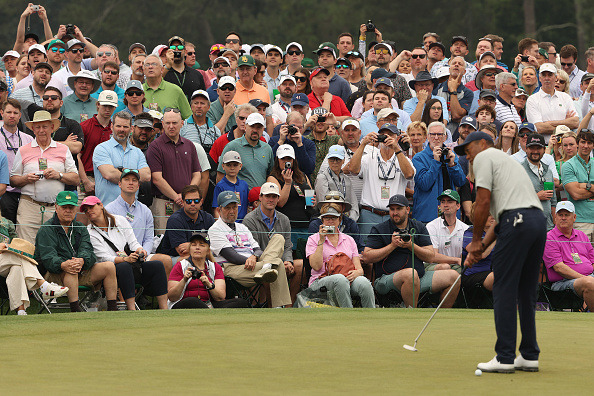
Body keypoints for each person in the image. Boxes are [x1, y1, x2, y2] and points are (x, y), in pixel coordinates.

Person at [456, 132, 546, 374]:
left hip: (517, 221)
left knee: (503, 286)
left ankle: (505, 356)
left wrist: (474, 241)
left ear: (483, 144)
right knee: (526, 290)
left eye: (469, 149)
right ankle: (529, 355)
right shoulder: (507, 164)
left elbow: (482, 203)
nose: (468, 156)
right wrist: (481, 247)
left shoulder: (485, 157)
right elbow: (500, 220)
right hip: (537, 222)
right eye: (464, 153)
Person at [363, 194, 460, 308]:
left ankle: (440, 316)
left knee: (454, 276)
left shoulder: (418, 227)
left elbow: (430, 256)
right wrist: (392, 246)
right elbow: (367, 256)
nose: (395, 213)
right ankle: (412, 314)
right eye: (392, 209)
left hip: (419, 277)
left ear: (407, 210)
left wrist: (411, 245)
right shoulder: (379, 229)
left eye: (399, 209)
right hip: (385, 279)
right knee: (410, 274)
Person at [35, 191, 119, 312]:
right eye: (64, 207)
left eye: (71, 207)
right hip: (53, 274)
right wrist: (63, 264)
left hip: (80, 271)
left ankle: (113, 308)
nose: (68, 210)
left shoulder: (80, 227)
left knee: (109, 266)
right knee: (71, 269)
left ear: (75, 209)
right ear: (56, 207)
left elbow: (88, 250)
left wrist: (82, 260)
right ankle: (75, 310)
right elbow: (48, 258)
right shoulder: (46, 229)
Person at [83, 196, 169, 310]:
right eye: (85, 210)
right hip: (110, 271)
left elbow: (133, 242)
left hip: (129, 264)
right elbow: (103, 257)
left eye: (91, 207)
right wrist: (125, 259)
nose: (88, 211)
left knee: (157, 265)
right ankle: (131, 309)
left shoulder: (119, 220)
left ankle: (164, 309)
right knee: (124, 266)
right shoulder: (89, 232)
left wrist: (140, 250)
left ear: (101, 205)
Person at [208, 191, 291, 308]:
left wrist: (254, 257)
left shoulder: (242, 227)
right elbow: (231, 256)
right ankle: (282, 307)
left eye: (234, 207)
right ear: (219, 210)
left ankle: (266, 267)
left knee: (278, 238)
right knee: (278, 264)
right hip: (231, 268)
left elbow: (257, 249)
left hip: (253, 265)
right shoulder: (215, 229)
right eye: (227, 208)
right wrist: (251, 259)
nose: (232, 211)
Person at [10, 110, 79, 243]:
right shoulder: (23, 150)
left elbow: (75, 178)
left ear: (52, 128)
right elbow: (13, 180)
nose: (41, 130)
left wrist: (58, 175)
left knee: (53, 248)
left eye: (45, 126)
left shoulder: (63, 149)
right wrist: (26, 179)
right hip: (29, 207)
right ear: (33, 130)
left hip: (55, 209)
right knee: (26, 247)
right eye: (38, 127)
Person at [345, 123, 415, 239]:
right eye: (383, 135)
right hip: (370, 213)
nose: (386, 138)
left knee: (395, 250)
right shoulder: (369, 156)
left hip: (394, 215)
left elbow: (409, 174)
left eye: (390, 135)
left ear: (397, 138)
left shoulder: (402, 159)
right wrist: (362, 145)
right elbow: (352, 169)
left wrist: (397, 149)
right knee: (366, 250)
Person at [243, 182, 303, 305]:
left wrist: (288, 261)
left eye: (274, 196)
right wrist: (276, 261)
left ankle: (289, 305)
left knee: (300, 265)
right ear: (260, 197)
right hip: (260, 262)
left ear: (278, 199)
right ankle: (273, 306)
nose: (271, 199)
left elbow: (288, 246)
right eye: (267, 196)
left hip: (280, 259)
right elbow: (253, 248)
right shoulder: (249, 219)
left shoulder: (284, 219)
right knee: (272, 267)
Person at [105, 169, 173, 276]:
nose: (131, 183)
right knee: (125, 266)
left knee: (166, 260)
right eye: (126, 180)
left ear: (138, 186)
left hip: (141, 254)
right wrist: (124, 257)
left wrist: (144, 252)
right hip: (119, 256)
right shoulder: (109, 210)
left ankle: (167, 293)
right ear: (119, 184)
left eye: (134, 180)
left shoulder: (146, 211)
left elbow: (149, 238)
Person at [305, 204, 374, 308]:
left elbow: (360, 269)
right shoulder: (313, 239)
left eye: (334, 217)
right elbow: (316, 266)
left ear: (339, 219)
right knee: (340, 279)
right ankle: (348, 316)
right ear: (322, 220)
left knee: (363, 282)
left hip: (347, 278)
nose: (330, 221)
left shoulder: (349, 240)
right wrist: (321, 241)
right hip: (321, 280)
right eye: (327, 218)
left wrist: (357, 273)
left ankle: (372, 317)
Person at [146, 108, 202, 233]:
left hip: (187, 203)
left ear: (182, 123)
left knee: (189, 238)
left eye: (174, 123)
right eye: (167, 123)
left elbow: (197, 174)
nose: (171, 126)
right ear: (163, 124)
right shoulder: (155, 146)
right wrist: (177, 198)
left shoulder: (189, 145)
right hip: (164, 202)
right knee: (164, 238)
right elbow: (157, 178)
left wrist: (187, 196)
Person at [167, 232, 249, 309]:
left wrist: (209, 285)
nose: (197, 248)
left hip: (208, 303)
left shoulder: (215, 267)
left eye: (202, 245)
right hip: (184, 304)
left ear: (208, 251)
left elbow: (220, 297)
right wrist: (184, 280)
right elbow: (172, 297)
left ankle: (210, 314)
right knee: (192, 301)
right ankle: (213, 315)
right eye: (193, 245)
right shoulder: (180, 266)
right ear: (190, 249)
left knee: (240, 302)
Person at [0, 233, 69, 315]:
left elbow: (14, 241)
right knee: (18, 255)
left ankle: (21, 311)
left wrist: (5, 245)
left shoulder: (7, 223)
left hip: (5, 261)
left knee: (16, 268)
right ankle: (44, 286)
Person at [543, 201, 594, 310]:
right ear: (555, 218)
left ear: (574, 217)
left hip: (589, 277)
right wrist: (586, 278)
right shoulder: (549, 237)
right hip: (562, 283)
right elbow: (559, 268)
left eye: (567, 215)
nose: (563, 218)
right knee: (589, 283)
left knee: (590, 281)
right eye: (560, 215)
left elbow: (593, 261)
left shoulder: (581, 235)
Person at [412, 122, 466, 223]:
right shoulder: (419, 158)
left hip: (450, 216)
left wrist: (452, 165)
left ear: (445, 137)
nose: (436, 138)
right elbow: (424, 184)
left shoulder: (450, 154)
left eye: (439, 134)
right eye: (433, 134)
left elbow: (461, 182)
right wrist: (436, 162)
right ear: (428, 137)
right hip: (427, 216)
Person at [92, 111, 150, 205]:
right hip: (107, 210)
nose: (122, 129)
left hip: (131, 210)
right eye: (118, 126)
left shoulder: (137, 152)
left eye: (125, 127)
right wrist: (135, 174)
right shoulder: (102, 149)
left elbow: (147, 175)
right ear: (111, 127)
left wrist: (123, 172)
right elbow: (110, 175)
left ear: (131, 129)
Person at [267, 144, 314, 246]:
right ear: (277, 159)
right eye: (283, 158)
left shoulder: (302, 176)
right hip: (286, 226)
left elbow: (311, 199)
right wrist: (288, 183)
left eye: (289, 158)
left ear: (294, 160)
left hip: (305, 224)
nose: (286, 161)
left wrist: (313, 201)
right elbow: (280, 203)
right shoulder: (273, 178)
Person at [158, 185, 215, 262]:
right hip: (173, 258)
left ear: (201, 201)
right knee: (195, 260)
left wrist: (190, 245)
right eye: (188, 201)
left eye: (196, 201)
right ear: (182, 202)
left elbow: (214, 244)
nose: (192, 204)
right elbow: (182, 252)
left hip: (199, 256)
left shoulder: (208, 218)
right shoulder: (175, 220)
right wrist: (204, 245)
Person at [77, 90, 118, 198]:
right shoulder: (84, 126)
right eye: (105, 105)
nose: (108, 109)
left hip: (109, 177)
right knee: (83, 211)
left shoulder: (116, 129)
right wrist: (85, 181)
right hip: (87, 176)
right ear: (98, 105)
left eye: (111, 106)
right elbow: (77, 156)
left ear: (115, 107)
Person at [217, 112, 273, 189]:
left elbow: (270, 175)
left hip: (261, 198)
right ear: (246, 127)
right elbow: (220, 174)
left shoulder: (267, 149)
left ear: (263, 129)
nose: (255, 130)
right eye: (252, 126)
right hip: (238, 197)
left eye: (259, 127)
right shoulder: (232, 146)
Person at [0, 99, 34, 224]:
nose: (12, 115)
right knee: (7, 230)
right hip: (5, 192)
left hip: (26, 192)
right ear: (2, 113)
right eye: (9, 112)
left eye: (15, 113)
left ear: (20, 115)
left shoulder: (29, 139)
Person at [526, 63, 579, 139]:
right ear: (540, 78)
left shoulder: (565, 97)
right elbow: (539, 128)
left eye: (550, 75)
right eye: (544, 75)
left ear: (555, 77)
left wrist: (549, 123)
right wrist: (565, 125)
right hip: (544, 146)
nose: (547, 78)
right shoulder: (532, 99)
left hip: (564, 146)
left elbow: (575, 122)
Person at [561, 129, 594, 241]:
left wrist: (586, 186)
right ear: (578, 143)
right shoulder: (568, 166)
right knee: (582, 257)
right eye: (583, 142)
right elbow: (576, 194)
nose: (586, 146)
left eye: (589, 143)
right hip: (580, 221)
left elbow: (580, 191)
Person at [425, 190, 469, 273]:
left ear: (458, 206)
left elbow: (464, 256)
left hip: (457, 267)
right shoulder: (431, 226)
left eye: (450, 201)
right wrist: (456, 260)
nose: (445, 205)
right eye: (443, 202)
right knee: (445, 267)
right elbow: (433, 256)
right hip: (434, 267)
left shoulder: (465, 228)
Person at [522, 134, 557, 230]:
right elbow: (513, 199)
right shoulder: (518, 169)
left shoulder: (548, 170)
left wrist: (554, 223)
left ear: (544, 150)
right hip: (527, 226)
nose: (535, 151)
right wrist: (537, 196)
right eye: (532, 148)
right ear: (526, 149)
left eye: (538, 148)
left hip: (548, 226)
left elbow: (553, 201)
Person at [314, 145, 359, 220]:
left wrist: (351, 220)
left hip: (348, 220)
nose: (335, 162)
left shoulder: (347, 179)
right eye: (332, 159)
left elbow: (354, 204)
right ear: (328, 160)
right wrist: (337, 219)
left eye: (338, 159)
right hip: (330, 219)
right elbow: (324, 204)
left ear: (343, 160)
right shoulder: (322, 177)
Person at [142, 55, 191, 119]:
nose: (150, 67)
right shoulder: (138, 91)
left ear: (162, 69)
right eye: (147, 65)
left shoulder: (175, 90)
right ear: (143, 70)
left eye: (154, 64)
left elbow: (188, 117)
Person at [268, 111, 316, 176]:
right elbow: (269, 164)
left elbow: (309, 169)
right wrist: (281, 141)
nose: (295, 130)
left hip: (300, 181)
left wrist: (300, 145)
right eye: (293, 126)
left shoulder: (309, 144)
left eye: (299, 128)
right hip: (278, 178)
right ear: (285, 125)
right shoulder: (274, 140)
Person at [461, 206, 495, 292]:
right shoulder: (470, 233)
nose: (493, 217)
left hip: (492, 272)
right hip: (473, 275)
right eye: (488, 215)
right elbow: (480, 254)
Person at [163, 36, 206, 102]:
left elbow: (203, 99)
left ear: (185, 51)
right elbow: (155, 83)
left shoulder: (196, 75)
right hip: (170, 111)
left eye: (180, 47)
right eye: (173, 47)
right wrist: (168, 64)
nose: (176, 50)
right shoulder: (164, 72)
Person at [213, 151, 249, 220]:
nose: (232, 168)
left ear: (240, 166)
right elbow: (216, 209)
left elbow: (247, 206)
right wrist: (221, 226)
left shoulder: (244, 185)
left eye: (235, 165)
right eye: (228, 165)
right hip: (226, 223)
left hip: (242, 224)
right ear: (223, 166)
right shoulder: (220, 186)